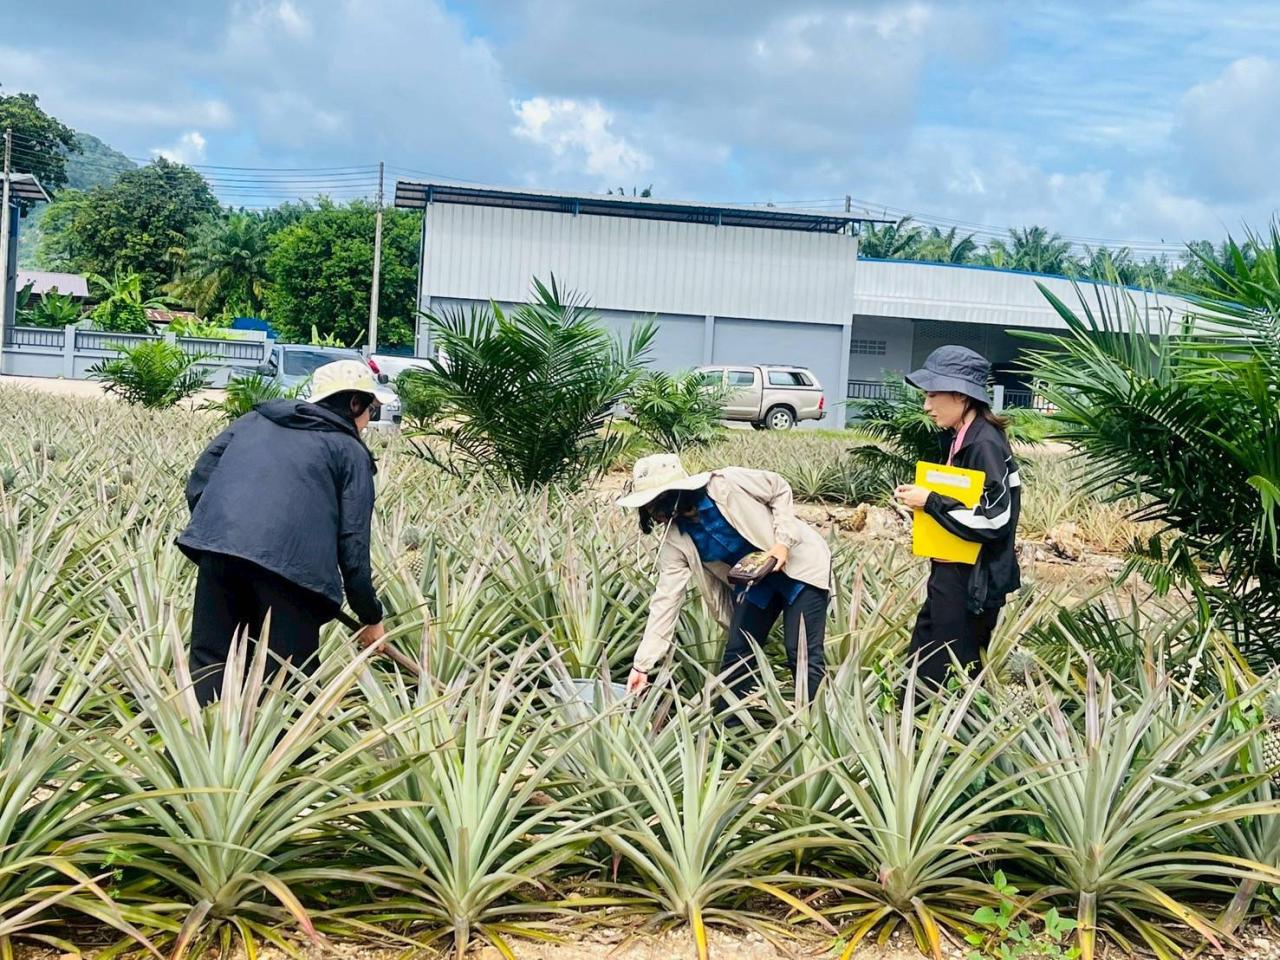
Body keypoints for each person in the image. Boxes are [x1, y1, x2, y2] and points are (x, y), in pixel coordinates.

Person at [177, 360, 386, 705]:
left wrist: (228, 533)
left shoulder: (254, 421)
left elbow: (200, 480)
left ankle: (200, 739)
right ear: (354, 404)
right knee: (287, 680)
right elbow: (353, 546)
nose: (369, 421)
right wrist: (371, 617)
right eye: (371, 410)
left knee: (212, 661)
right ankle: (286, 744)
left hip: (220, 554)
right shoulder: (349, 451)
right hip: (292, 575)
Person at [618, 453, 832, 707]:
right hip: (758, 584)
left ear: (671, 494)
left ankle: (815, 725)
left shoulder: (725, 483)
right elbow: (666, 599)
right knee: (737, 656)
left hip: (800, 567)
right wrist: (642, 666)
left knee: (802, 654)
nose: (652, 515)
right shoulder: (676, 539)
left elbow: (778, 487)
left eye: (653, 505)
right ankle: (727, 727)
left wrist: (782, 542)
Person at [893, 345, 1021, 687]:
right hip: (952, 573)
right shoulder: (963, 437)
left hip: (972, 583)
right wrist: (923, 499)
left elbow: (995, 520)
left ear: (961, 395)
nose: (926, 405)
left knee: (949, 678)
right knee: (923, 666)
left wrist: (931, 501)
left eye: (933, 394)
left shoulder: (983, 443)